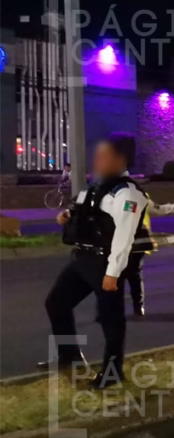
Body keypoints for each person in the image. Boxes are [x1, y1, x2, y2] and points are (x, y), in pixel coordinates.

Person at [40, 133, 147, 388]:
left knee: (111, 319)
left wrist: (113, 273)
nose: (97, 160)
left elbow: (124, 237)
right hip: (81, 259)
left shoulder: (128, 194)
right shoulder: (96, 186)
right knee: (56, 303)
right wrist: (67, 216)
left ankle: (113, 372)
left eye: (104, 155)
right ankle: (69, 355)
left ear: (121, 159)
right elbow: (84, 210)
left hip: (104, 263)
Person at [122, 196, 174, 316]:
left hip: (125, 243)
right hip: (135, 243)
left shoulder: (118, 196)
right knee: (134, 276)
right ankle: (137, 307)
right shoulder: (135, 196)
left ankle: (107, 309)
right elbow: (158, 210)